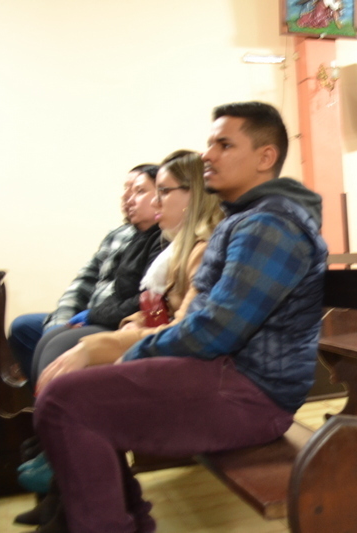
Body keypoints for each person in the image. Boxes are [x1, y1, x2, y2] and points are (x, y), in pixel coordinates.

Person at [33, 101, 328, 533]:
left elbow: (216, 329)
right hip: (229, 376)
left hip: (253, 395)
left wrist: (129, 354)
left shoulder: (271, 225)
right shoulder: (248, 219)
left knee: (65, 403)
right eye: (209, 143)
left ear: (265, 157)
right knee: (80, 395)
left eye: (224, 145)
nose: (208, 155)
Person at [34, 151, 224, 391]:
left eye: (164, 191)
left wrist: (94, 346)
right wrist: (132, 322)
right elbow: (157, 306)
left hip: (184, 364)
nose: (155, 202)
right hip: (156, 342)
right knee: (53, 343)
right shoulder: (179, 248)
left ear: (194, 195)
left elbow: (183, 329)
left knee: (65, 352)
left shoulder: (204, 251)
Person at [7, 165, 157, 379]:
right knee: (26, 328)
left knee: (56, 345)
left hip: (114, 321)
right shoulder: (118, 235)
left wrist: (91, 317)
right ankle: (43, 394)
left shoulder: (160, 240)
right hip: (93, 314)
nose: (128, 197)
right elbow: (83, 282)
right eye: (126, 189)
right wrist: (61, 322)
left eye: (138, 190)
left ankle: (53, 394)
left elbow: (140, 298)